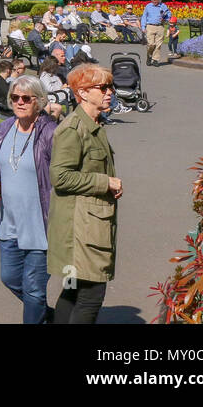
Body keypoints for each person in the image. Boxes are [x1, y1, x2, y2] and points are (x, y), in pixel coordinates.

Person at [48, 63, 123, 324]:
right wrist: (106, 182)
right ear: (82, 92)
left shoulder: (94, 124)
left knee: (72, 291)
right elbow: (59, 176)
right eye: (102, 87)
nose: (109, 92)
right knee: (91, 295)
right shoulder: (73, 128)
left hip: (88, 224)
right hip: (81, 230)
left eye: (110, 86)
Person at [0, 75, 59, 323]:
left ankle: (37, 310)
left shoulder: (50, 133)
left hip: (40, 227)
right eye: (15, 97)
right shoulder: (5, 129)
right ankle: (44, 313)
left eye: (26, 98)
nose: (19, 102)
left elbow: (67, 170)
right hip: (10, 225)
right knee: (10, 278)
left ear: (38, 101)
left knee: (35, 289)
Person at [141, 0, 173, 67]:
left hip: (160, 27)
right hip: (150, 26)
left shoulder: (163, 6)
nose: (154, 1)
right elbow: (144, 17)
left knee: (158, 45)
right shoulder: (148, 6)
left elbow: (169, 14)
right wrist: (143, 27)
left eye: (156, 0)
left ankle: (155, 60)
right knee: (151, 44)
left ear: (159, 0)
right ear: (151, 0)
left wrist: (165, 18)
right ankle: (149, 56)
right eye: (153, 0)